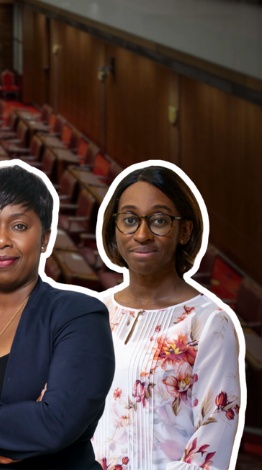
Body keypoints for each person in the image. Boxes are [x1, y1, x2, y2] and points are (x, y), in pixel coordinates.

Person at [0, 162, 115, 469]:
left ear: (45, 239)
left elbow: (54, 426)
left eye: (19, 226)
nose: (1, 240)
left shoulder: (79, 315)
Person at [92, 164, 243, 470]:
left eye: (159, 220)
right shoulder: (93, 312)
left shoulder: (209, 323)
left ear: (184, 231)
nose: (143, 234)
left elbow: (210, 451)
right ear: (115, 229)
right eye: (130, 220)